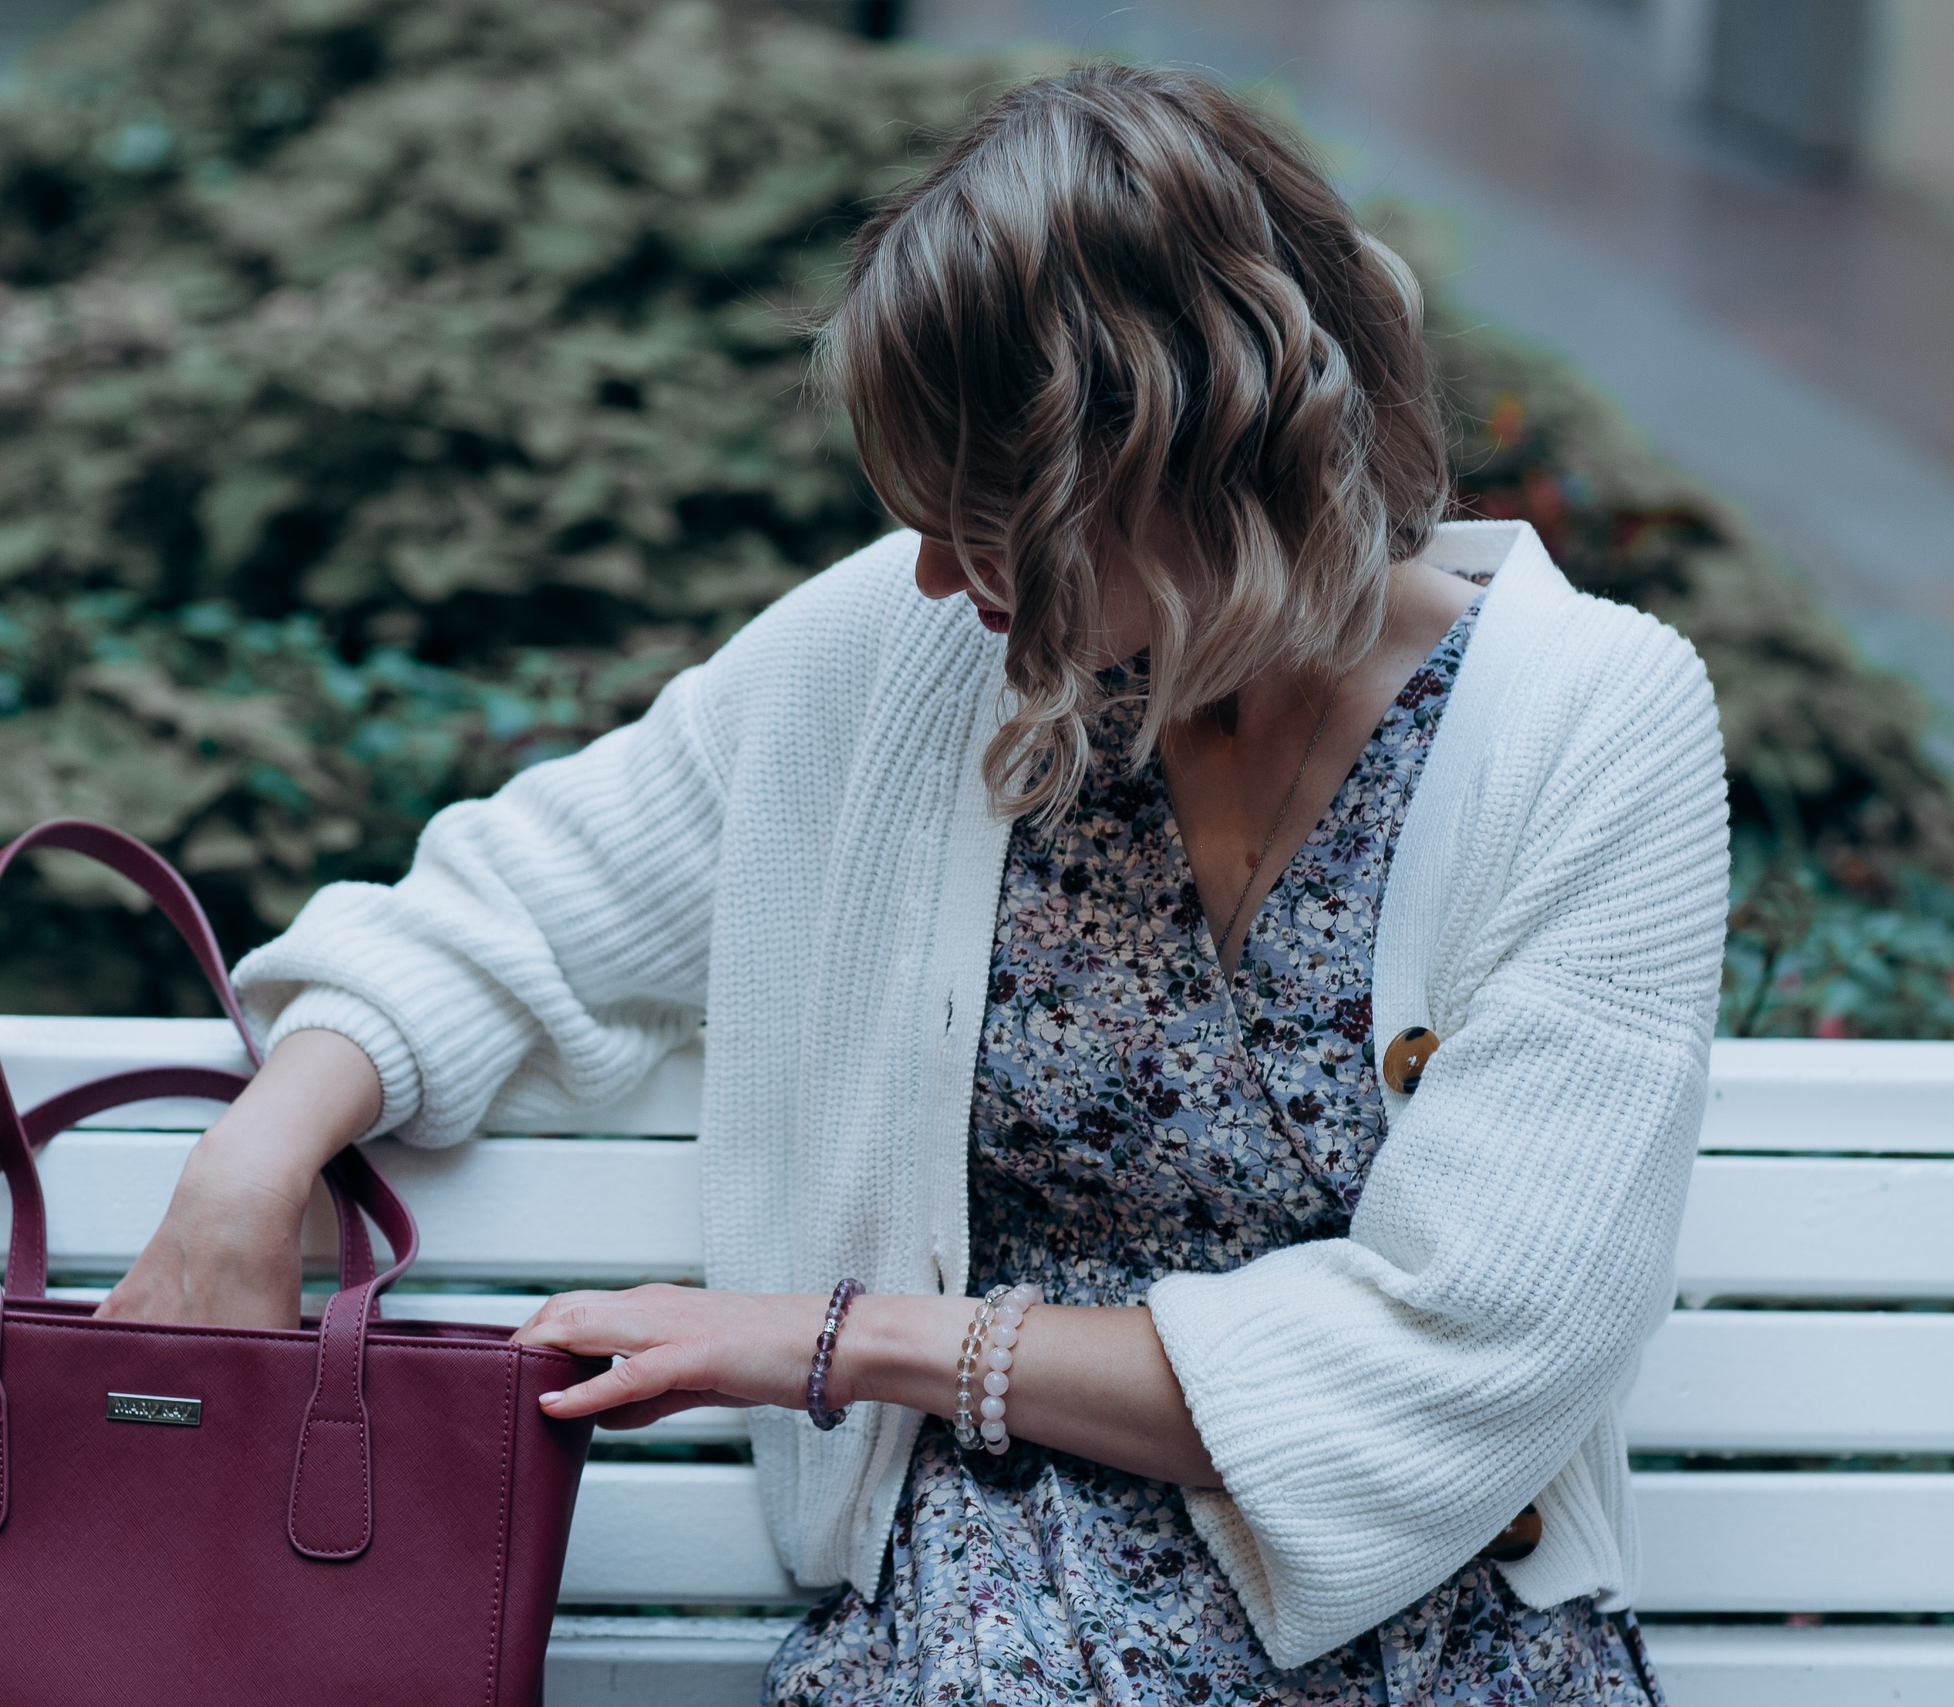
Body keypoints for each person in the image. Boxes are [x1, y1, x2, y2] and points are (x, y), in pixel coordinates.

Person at [97, 62, 1727, 1705]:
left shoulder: (1588, 722)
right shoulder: (912, 655)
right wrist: (253, 1163)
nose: (939, 571)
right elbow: (524, 902)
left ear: (1183, 464)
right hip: (996, 1624)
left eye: (990, 515)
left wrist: (845, 1341)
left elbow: (1474, 1344)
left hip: (1438, 1633)